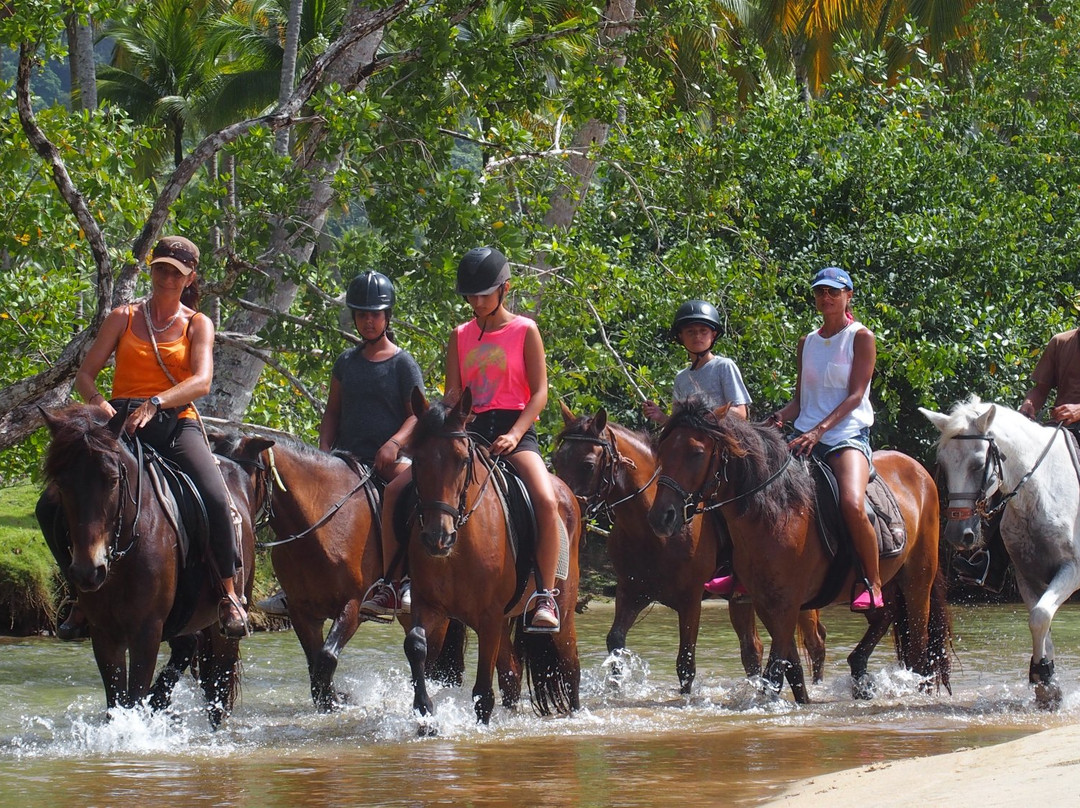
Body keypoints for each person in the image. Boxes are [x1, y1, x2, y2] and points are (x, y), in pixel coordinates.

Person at [71, 235, 249, 636]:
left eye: (176, 273)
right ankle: (77, 594)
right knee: (58, 499)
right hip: (117, 421)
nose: (166, 278)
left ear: (189, 279)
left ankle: (228, 591)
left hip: (173, 422)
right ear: (151, 270)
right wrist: (104, 408)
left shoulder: (197, 323)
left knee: (217, 497)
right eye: (161, 269)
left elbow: (201, 382)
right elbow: (85, 376)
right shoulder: (123, 316)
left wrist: (155, 403)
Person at [442, 246, 562, 631]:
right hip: (472, 431)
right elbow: (452, 394)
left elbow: (540, 391)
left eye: (483, 295)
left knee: (545, 499)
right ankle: (404, 581)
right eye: (471, 296)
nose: (476, 302)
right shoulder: (459, 335)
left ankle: (545, 594)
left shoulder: (525, 330)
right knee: (423, 487)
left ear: (504, 289)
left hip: (516, 428)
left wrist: (515, 434)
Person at [301, 271, 424, 621]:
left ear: (387, 317)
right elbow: (332, 412)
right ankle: (298, 583)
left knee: (411, 494)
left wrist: (395, 443)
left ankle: (404, 579)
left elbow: (418, 415)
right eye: (362, 315)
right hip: (345, 460)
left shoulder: (403, 363)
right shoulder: (346, 362)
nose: (368, 321)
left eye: (375, 315)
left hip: (389, 460)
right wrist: (323, 450)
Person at [770, 266, 883, 611]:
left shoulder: (861, 337)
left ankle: (872, 582)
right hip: (804, 436)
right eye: (820, 292)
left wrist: (819, 430)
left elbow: (855, 395)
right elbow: (801, 400)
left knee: (851, 502)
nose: (826, 297)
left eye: (834, 292)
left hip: (847, 436)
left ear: (849, 295)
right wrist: (776, 419)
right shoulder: (807, 341)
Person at [952, 324, 1080, 590]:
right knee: (1009, 471)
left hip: (1074, 423)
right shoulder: (1061, 342)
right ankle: (989, 562)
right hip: (1060, 429)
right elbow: (1041, 388)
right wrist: (1030, 403)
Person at [643, 299, 752, 597]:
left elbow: (741, 412)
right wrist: (662, 417)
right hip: (696, 456)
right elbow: (681, 426)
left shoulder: (723, 366)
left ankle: (737, 568)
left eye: (703, 331)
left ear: (713, 335)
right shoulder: (681, 377)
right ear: (681, 337)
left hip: (725, 452)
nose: (697, 336)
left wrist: (707, 421)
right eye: (690, 331)